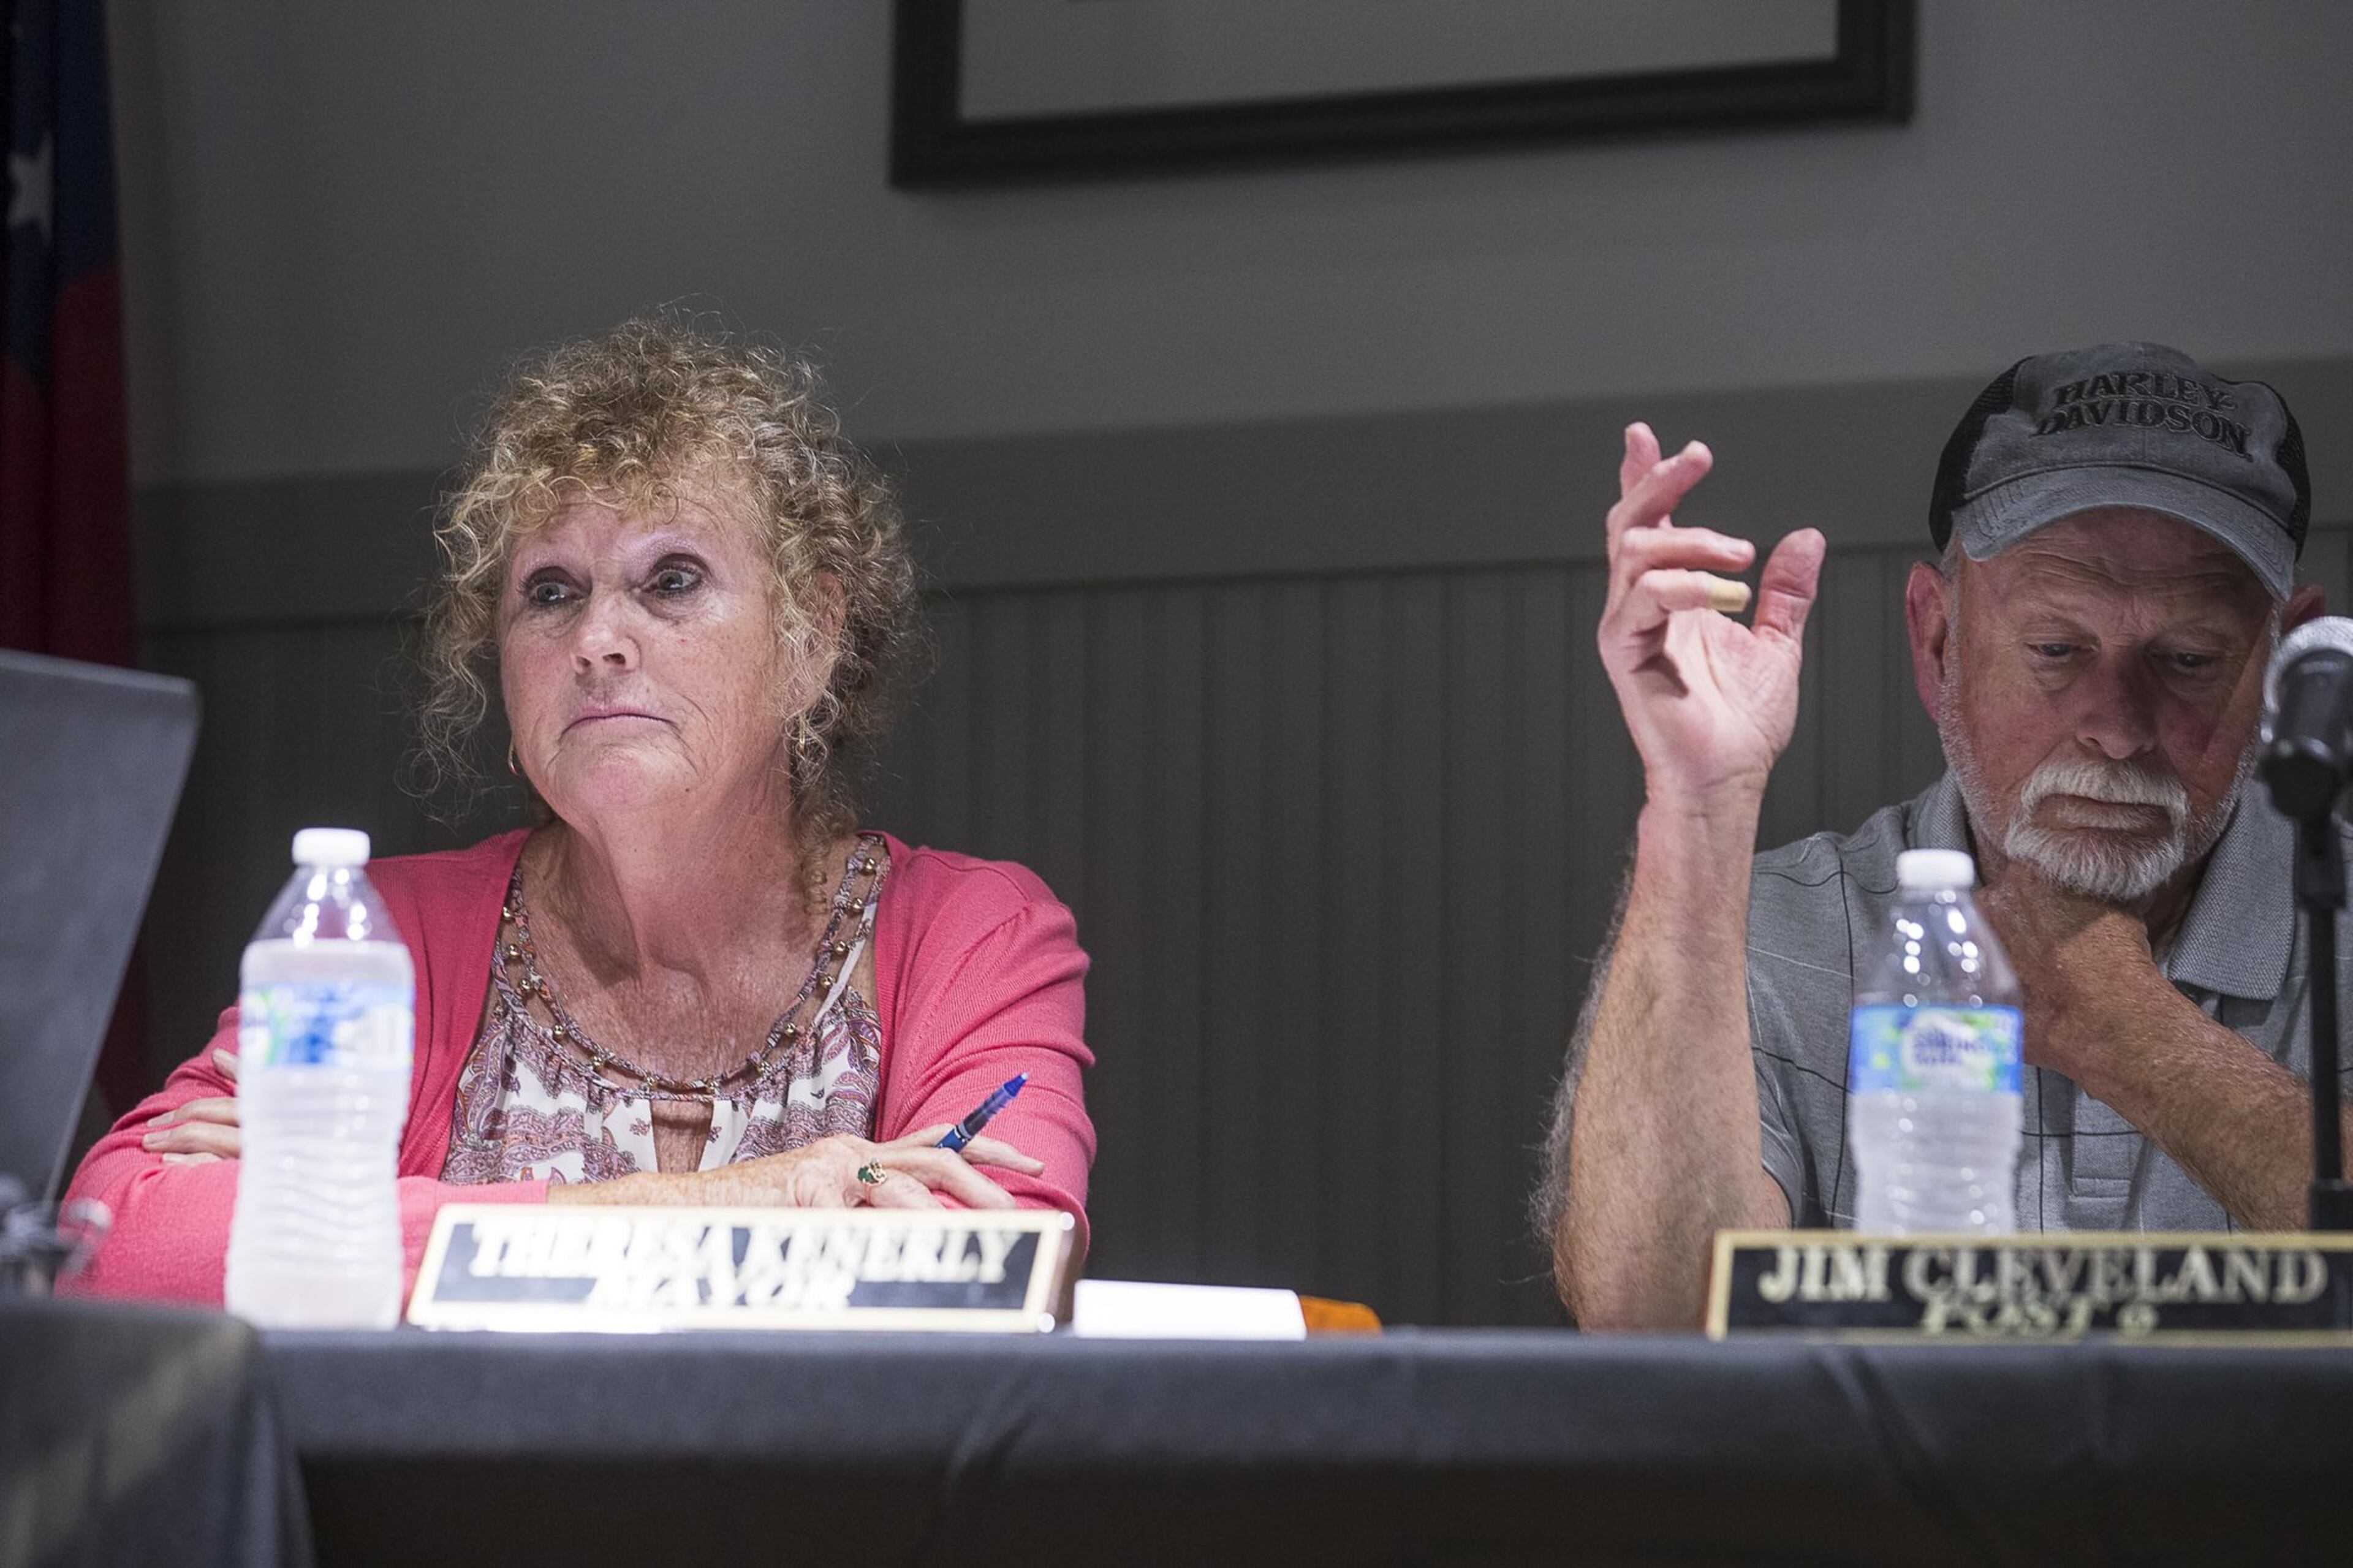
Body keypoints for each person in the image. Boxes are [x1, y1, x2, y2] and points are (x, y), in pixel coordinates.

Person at [66, 318, 1095, 1304]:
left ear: (811, 640)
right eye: (550, 593)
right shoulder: (374, 937)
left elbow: (995, 1260)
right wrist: (754, 1199)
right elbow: (124, 1240)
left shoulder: (974, 935)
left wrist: (366, 1225)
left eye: (673, 579)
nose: (598, 638)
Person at [1540, 341, 2341, 1330]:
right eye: (2055, 650)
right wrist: (1695, 808)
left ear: (2286, 662)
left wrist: (2134, 1035)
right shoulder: (1781, 932)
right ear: (1936, 642)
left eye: (2187, 658)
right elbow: (1653, 1322)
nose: (2118, 724)